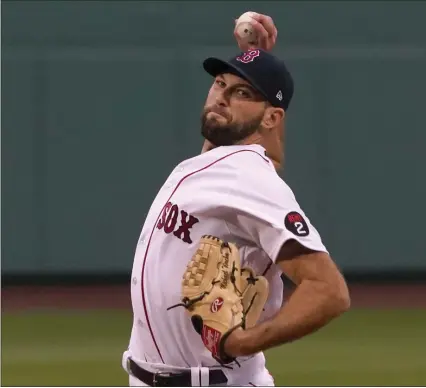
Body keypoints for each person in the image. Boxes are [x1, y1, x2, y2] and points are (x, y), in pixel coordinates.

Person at [122, 12, 350, 387]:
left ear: (272, 118)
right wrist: (254, 60)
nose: (222, 97)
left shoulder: (251, 179)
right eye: (219, 83)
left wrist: (244, 342)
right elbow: (250, 145)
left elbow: (329, 291)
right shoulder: (220, 164)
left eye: (241, 93)